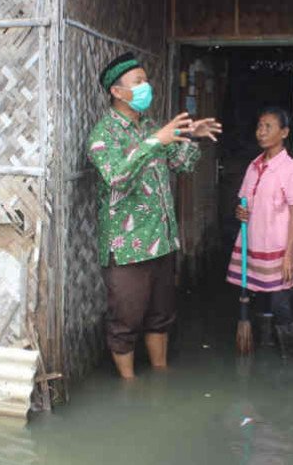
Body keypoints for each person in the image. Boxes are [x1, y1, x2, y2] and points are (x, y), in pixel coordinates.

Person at [87, 52, 222, 379]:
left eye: (146, 80)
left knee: (162, 316)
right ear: (118, 92)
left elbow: (183, 164)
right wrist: (154, 142)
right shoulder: (103, 135)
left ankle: (160, 377)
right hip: (128, 247)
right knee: (126, 321)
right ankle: (129, 388)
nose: (147, 87)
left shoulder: (149, 126)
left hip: (161, 241)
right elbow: (117, 177)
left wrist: (190, 136)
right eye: (139, 82)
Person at [226, 107, 293, 358]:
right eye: (259, 126)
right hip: (252, 244)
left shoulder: (291, 169)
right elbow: (244, 204)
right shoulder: (253, 167)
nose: (261, 132)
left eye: (268, 127)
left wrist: (289, 253)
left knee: (280, 302)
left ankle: (291, 352)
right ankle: (266, 347)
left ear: (284, 132)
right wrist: (240, 212)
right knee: (257, 298)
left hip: (277, 248)